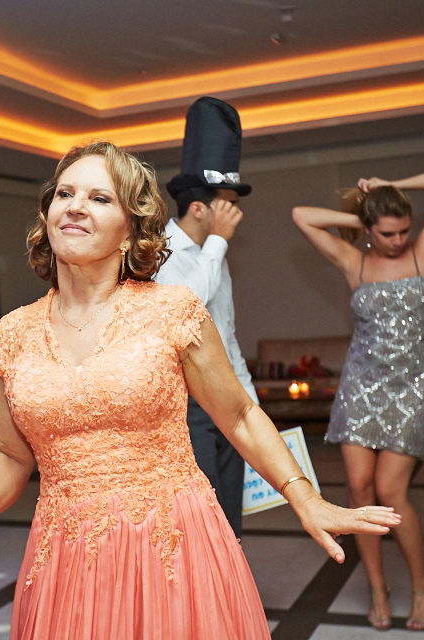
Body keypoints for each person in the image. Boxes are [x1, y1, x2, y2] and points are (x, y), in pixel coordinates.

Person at [0, 142, 400, 638]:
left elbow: (240, 415)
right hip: (65, 553)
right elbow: (9, 452)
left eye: (99, 198)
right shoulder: (13, 334)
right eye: (65, 194)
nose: (76, 207)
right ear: (47, 217)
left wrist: (304, 497)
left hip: (172, 542)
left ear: (131, 230)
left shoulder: (172, 312)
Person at [292, 166, 424, 630]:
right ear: (369, 230)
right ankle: (378, 590)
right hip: (361, 385)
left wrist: (393, 187)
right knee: (360, 492)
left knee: (390, 491)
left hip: (414, 387)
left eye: (403, 230)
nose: (397, 240)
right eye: (386, 232)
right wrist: (361, 220)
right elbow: (301, 215)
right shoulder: (355, 260)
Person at [153, 96, 255, 537]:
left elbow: (226, 334)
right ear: (199, 208)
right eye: (227, 203)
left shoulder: (218, 256)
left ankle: (228, 606)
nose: (236, 212)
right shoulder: (158, 253)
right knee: (200, 522)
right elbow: (184, 311)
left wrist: (250, 404)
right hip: (184, 407)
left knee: (231, 519)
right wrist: (217, 243)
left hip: (226, 397)